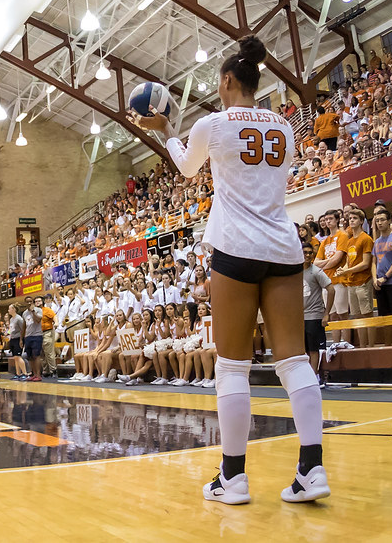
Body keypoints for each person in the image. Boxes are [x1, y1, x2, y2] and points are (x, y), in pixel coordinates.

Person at [132, 35, 329, 505]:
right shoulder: (284, 124)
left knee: (232, 367)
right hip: (283, 248)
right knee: (294, 361)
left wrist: (164, 128)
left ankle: (233, 478)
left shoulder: (214, 124)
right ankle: (312, 468)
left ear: (226, 81)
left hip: (236, 248)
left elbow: (183, 167)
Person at [335, 209, 373, 346]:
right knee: (357, 317)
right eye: (350, 218)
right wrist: (342, 270)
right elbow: (348, 262)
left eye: (355, 218)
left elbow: (365, 263)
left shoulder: (366, 238)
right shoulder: (350, 241)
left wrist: (347, 271)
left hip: (363, 281)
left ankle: (370, 346)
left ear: (361, 221)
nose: (351, 220)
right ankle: (362, 346)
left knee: (367, 316)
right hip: (351, 283)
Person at [301, 244, 334, 381]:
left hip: (314, 315)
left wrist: (326, 313)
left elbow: (331, 290)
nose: (308, 255)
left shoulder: (316, 272)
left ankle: (314, 377)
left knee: (314, 349)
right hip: (299, 317)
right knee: (304, 350)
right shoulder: (295, 272)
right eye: (305, 252)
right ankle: (307, 376)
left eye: (310, 253)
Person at [372, 208, 392, 345]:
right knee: (384, 318)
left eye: (382, 220)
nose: (379, 223)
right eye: (377, 220)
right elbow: (374, 262)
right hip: (380, 285)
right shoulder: (377, 241)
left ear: (389, 221)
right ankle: (388, 345)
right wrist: (375, 278)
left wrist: (385, 277)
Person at [22, 296, 44, 382]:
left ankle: (38, 374)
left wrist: (33, 311)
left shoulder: (38, 310)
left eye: (31, 301)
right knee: (30, 356)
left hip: (37, 335)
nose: (29, 303)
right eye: (27, 302)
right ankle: (33, 374)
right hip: (28, 336)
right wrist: (21, 339)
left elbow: (38, 320)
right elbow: (24, 327)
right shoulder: (24, 313)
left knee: (36, 355)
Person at [5, 304, 28, 380]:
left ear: (14, 309)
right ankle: (18, 373)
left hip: (18, 339)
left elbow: (23, 329)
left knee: (18, 356)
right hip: (13, 338)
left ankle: (25, 373)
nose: (8, 310)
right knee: (15, 357)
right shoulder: (11, 319)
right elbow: (11, 329)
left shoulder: (19, 319)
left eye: (9, 308)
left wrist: (21, 340)